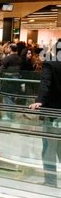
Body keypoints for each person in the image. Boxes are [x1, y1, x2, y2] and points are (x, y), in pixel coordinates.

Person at [30, 48, 61, 186]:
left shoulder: (51, 64)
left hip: (52, 113)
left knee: (49, 146)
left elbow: (45, 83)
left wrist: (39, 100)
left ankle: (50, 180)